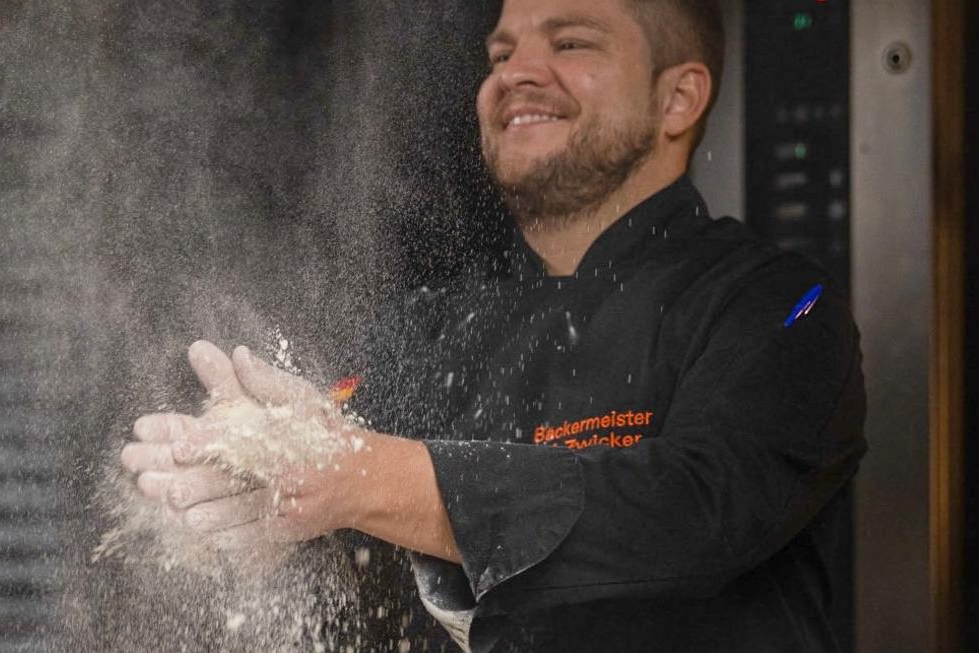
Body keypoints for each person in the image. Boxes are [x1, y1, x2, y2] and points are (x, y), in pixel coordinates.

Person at [120, 0, 867, 650]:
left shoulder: (776, 304)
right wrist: (260, 495)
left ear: (677, 98)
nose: (516, 71)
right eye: (501, 52)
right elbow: (340, 518)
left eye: (570, 42)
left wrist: (367, 474)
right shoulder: (427, 330)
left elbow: (699, 507)